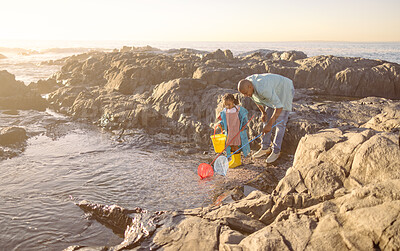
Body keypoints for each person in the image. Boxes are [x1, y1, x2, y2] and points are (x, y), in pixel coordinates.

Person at [237, 73, 294, 164]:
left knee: (280, 123)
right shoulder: (248, 84)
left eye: (245, 93)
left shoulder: (263, 89)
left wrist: (270, 125)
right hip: (273, 92)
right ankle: (265, 147)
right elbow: (256, 99)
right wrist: (263, 113)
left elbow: (279, 107)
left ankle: (276, 151)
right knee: (266, 119)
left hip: (284, 90)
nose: (245, 95)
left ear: (250, 86)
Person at [217, 93, 250, 168]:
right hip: (229, 131)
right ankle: (233, 159)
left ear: (233, 101)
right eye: (226, 105)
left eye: (229, 104)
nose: (228, 106)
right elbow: (223, 121)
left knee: (236, 145)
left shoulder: (238, 109)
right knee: (231, 145)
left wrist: (244, 126)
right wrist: (220, 124)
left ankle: (238, 161)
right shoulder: (225, 111)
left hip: (237, 130)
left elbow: (244, 119)